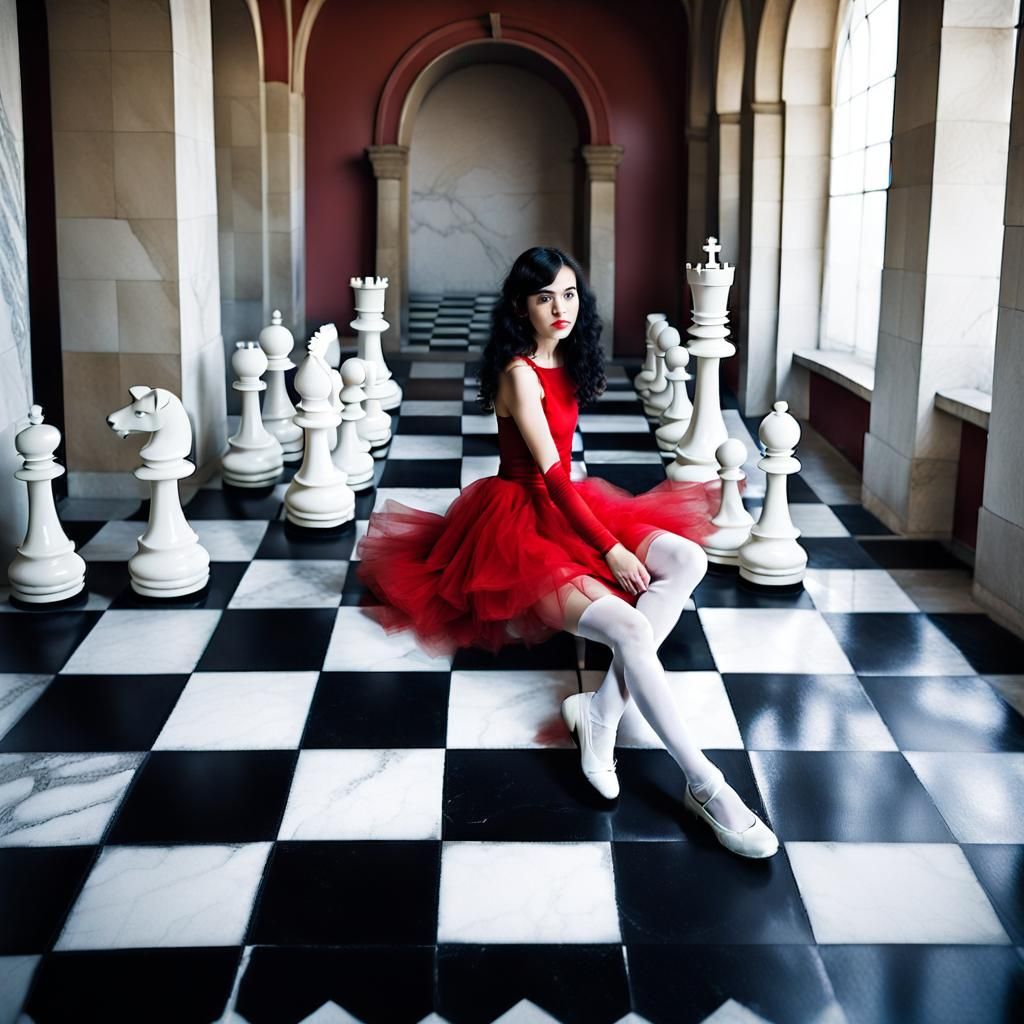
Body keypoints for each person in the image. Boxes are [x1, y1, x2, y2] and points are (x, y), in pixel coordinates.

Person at [356, 247, 778, 858]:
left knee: (690, 559)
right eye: (544, 297)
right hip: (521, 519)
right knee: (632, 629)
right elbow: (550, 478)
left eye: (570, 294)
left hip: (573, 503)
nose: (561, 309)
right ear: (521, 307)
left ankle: (601, 712)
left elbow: (567, 479)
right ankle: (705, 784)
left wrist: (607, 541)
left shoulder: (566, 356)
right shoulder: (518, 371)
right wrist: (609, 552)